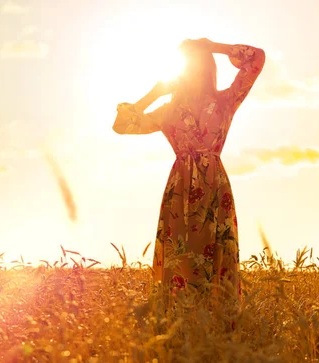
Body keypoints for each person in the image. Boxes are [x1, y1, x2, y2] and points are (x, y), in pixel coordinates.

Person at [112, 38, 265, 316]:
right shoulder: (168, 111)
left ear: (208, 68)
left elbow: (256, 59)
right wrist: (153, 93)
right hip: (180, 190)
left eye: (197, 65)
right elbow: (121, 126)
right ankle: (178, 330)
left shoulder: (225, 101)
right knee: (180, 259)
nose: (191, 72)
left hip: (214, 188)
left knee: (216, 262)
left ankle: (217, 332)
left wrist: (212, 46)